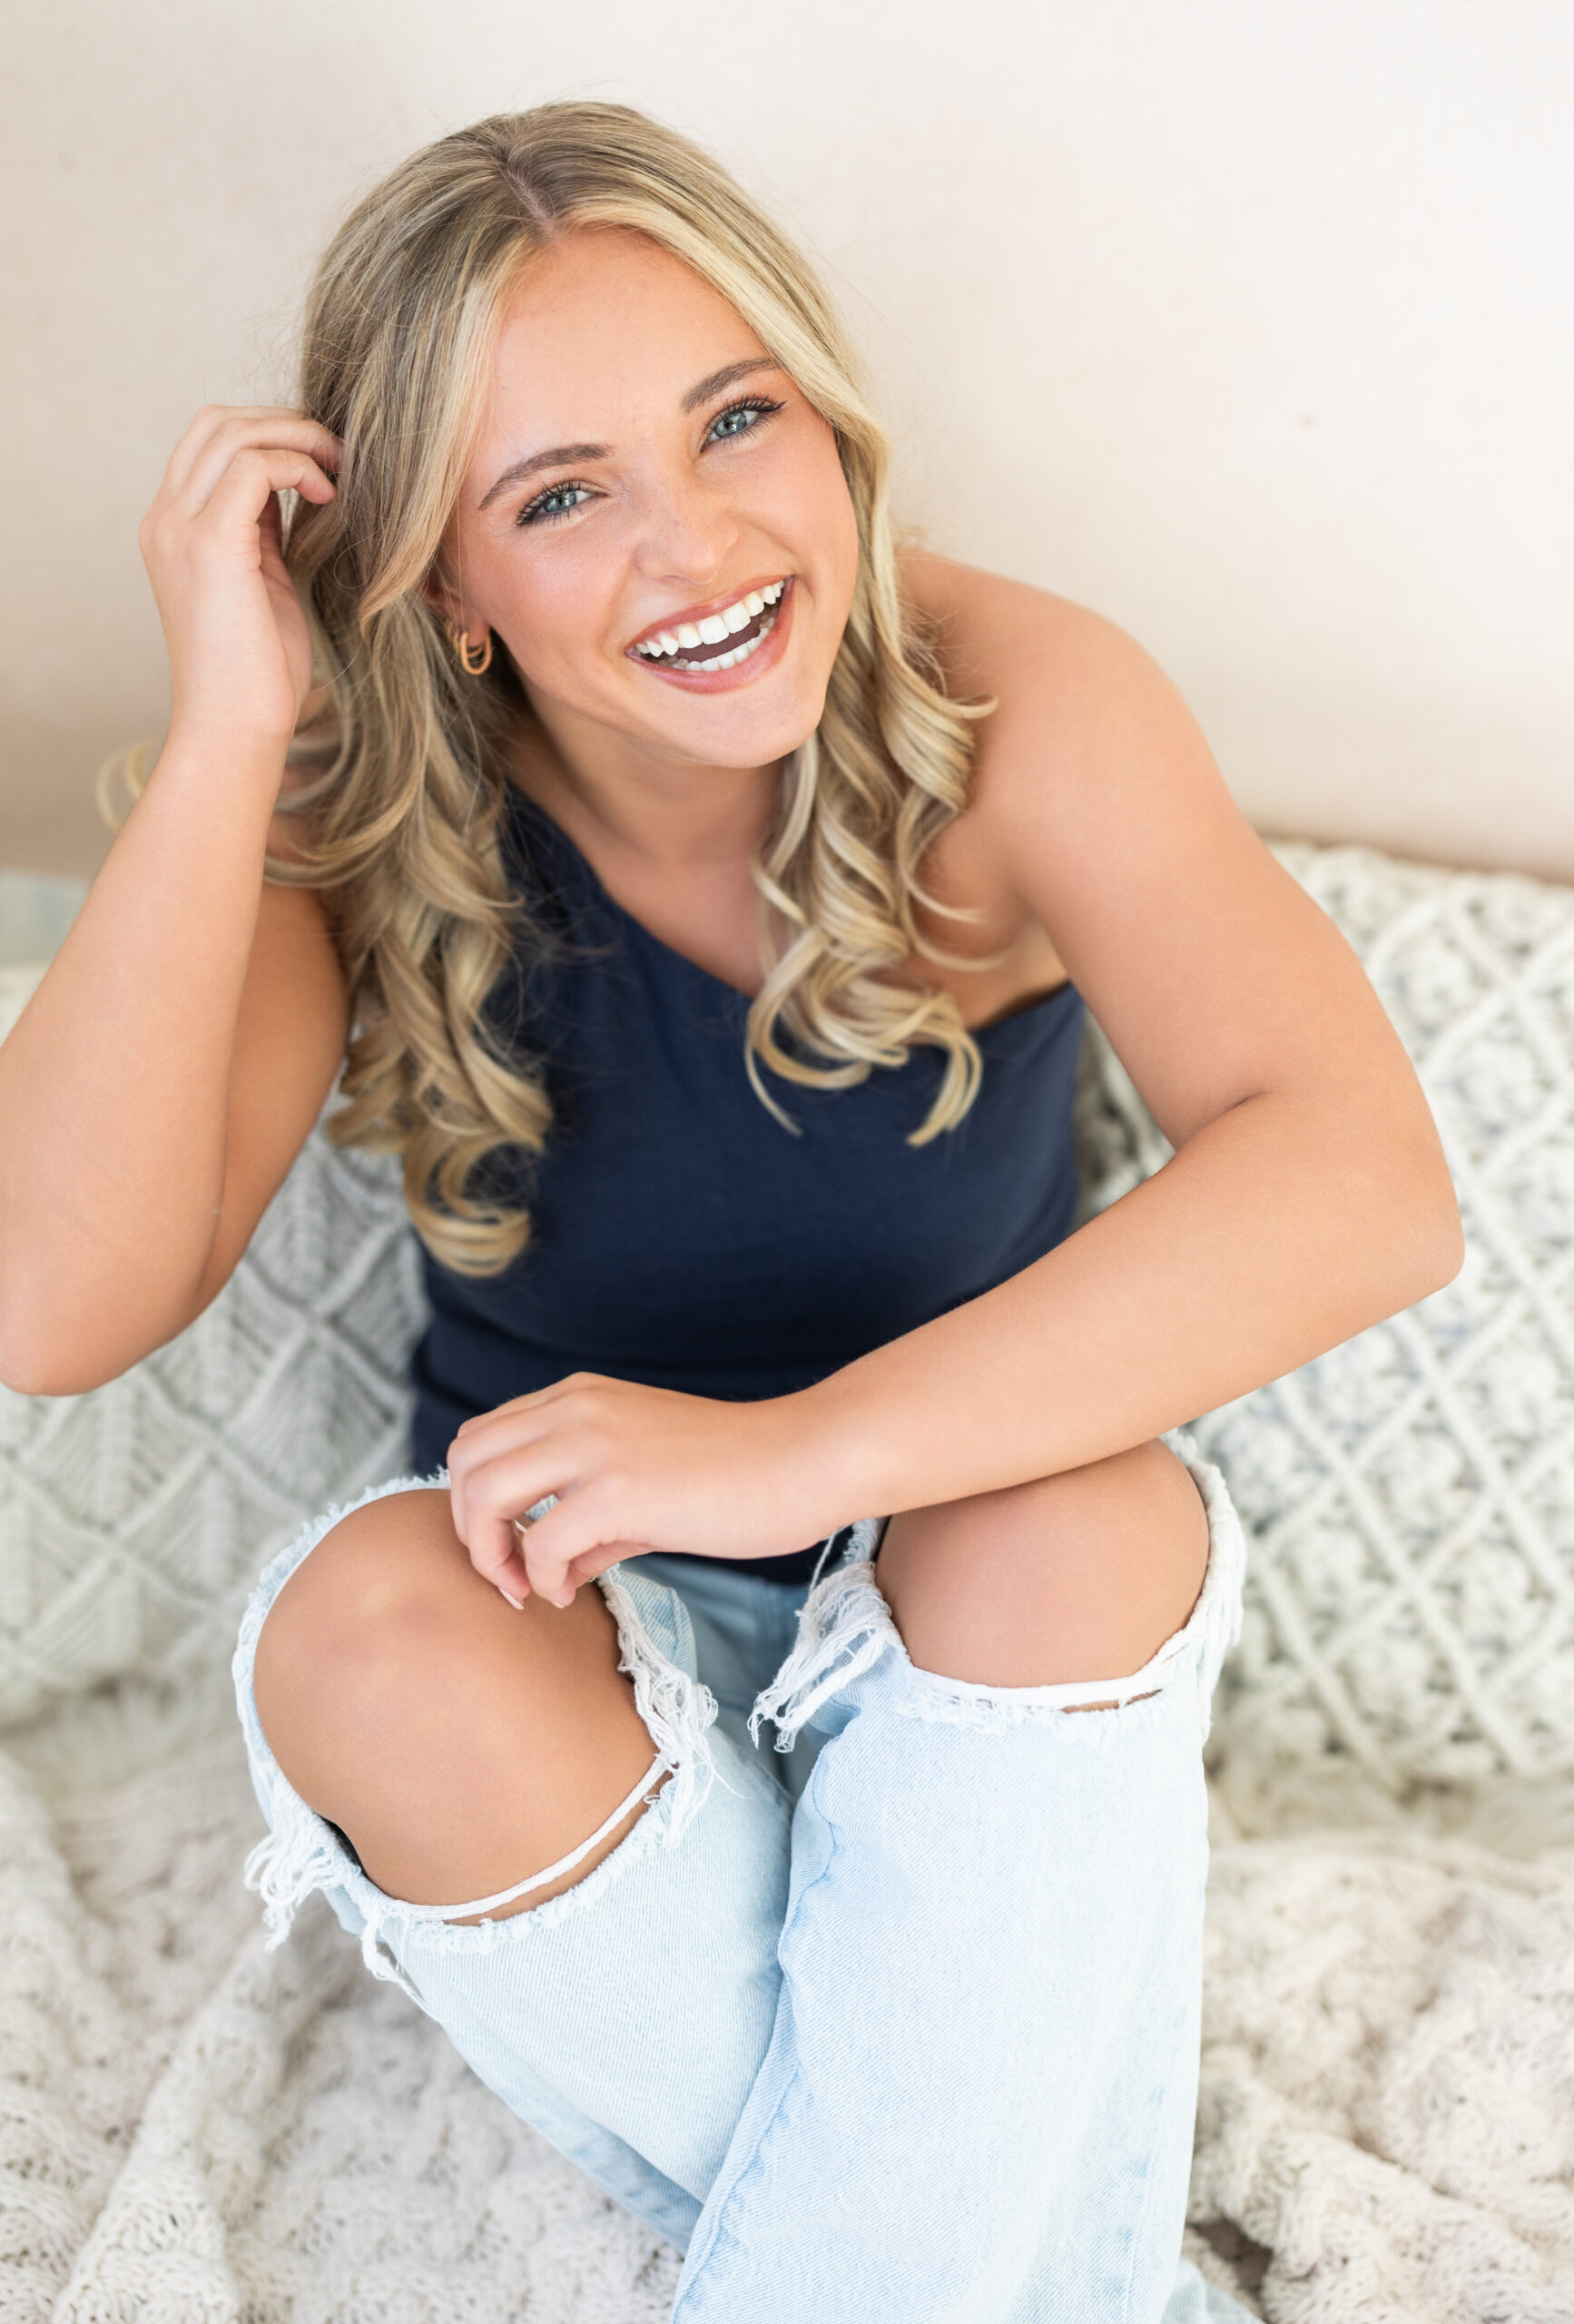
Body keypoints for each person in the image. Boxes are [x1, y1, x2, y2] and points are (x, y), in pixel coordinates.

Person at [0, 103, 1461, 2323]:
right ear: (438, 587)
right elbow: (47, 1297)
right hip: (582, 1668)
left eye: (736, 419)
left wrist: (788, 1449)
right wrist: (229, 714)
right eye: (560, 498)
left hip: (988, 1629)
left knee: (1071, 1509)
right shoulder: (355, 811)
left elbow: (1364, 1179)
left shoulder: (1012, 701)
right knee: (362, 1627)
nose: (697, 547)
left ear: (829, 418)